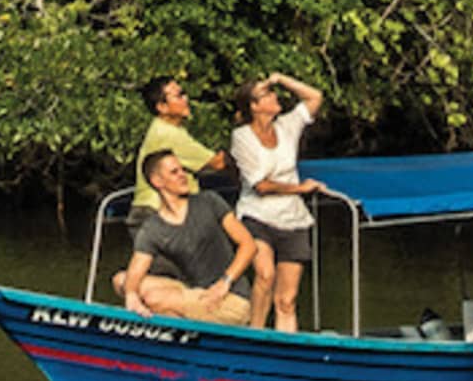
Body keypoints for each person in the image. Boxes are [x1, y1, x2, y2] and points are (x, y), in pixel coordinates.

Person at [230, 72, 325, 332]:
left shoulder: (287, 126)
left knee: (287, 299)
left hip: (292, 217)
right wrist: (299, 188)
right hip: (256, 215)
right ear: (254, 106)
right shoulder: (242, 137)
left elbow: (315, 96)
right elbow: (260, 186)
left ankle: (288, 352)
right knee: (265, 275)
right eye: (267, 94)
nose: (274, 97)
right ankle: (256, 334)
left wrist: (281, 79)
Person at [119, 150, 257, 325]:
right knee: (122, 281)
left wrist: (225, 282)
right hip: (194, 292)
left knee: (154, 299)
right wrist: (131, 296)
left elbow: (249, 245)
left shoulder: (209, 201)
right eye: (174, 172)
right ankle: (175, 339)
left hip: (230, 298)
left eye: (182, 170)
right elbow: (136, 270)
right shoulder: (153, 227)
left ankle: (174, 336)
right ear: (157, 181)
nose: (183, 176)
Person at [130, 74, 229, 222]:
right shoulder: (169, 134)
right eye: (179, 96)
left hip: (156, 209)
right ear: (162, 107)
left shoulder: (167, 128)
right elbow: (218, 163)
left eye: (184, 93)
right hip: (157, 211)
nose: (186, 99)